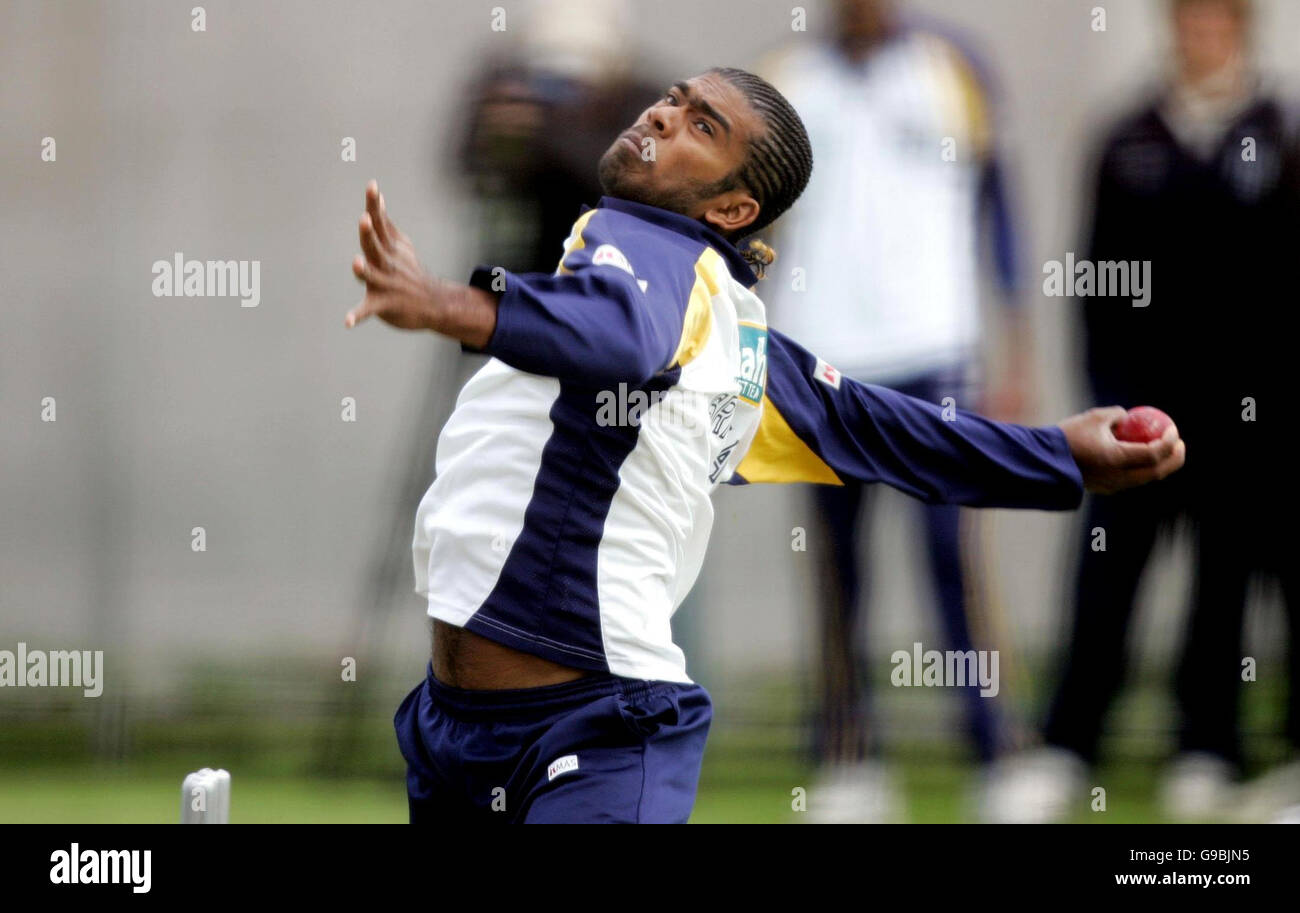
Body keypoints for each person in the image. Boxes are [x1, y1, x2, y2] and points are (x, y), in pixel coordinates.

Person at [343, 68, 1185, 824]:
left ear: (733, 210)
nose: (666, 116)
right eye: (675, 99)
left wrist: (447, 306)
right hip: (465, 730)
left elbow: (619, 334)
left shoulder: (644, 247)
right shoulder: (727, 335)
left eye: (703, 126)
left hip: (589, 729)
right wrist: (1061, 456)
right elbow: (888, 432)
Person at [981, 0, 1299, 823]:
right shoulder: (1127, 137)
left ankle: (1208, 747)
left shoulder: (1279, 132)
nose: (1202, 34)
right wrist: (1108, 400)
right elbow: (1095, 282)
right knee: (1107, 575)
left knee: (1224, 582)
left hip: (1246, 421)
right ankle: (1067, 743)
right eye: (1189, 19)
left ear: (1240, 28)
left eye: (1217, 21)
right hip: (1142, 415)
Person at [759, 0, 1030, 820]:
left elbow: (999, 210)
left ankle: (999, 752)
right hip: (819, 360)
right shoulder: (784, 84)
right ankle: (845, 755)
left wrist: (1016, 345)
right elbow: (751, 225)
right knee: (837, 566)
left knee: (954, 554)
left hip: (935, 354)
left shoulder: (955, 68)